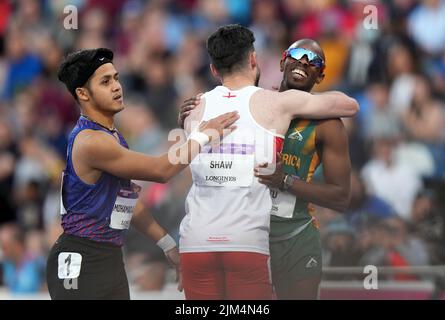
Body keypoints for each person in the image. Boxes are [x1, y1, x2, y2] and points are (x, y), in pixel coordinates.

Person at [179, 25, 358, 300]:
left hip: (294, 238)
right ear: (281, 61)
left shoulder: (327, 125)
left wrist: (286, 181)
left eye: (314, 61)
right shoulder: (254, 104)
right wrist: (187, 119)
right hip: (245, 237)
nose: (304, 62)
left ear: (321, 75)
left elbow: (341, 198)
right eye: (298, 54)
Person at [45, 48, 239, 300]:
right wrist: (202, 135)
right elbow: (161, 170)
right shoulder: (91, 141)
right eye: (105, 82)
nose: (116, 86)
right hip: (80, 259)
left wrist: (168, 246)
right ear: (82, 94)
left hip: (109, 258)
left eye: (116, 78)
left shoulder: (111, 137)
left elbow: (125, 204)